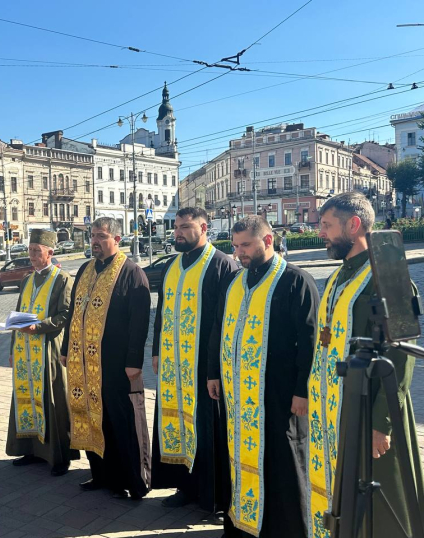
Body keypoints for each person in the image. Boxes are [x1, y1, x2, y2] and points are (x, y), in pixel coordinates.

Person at [307, 192, 424, 538]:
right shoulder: (337, 277)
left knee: (382, 505)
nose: (321, 233)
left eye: (327, 225)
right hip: (333, 412)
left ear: (354, 225)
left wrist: (380, 423)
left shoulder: (388, 276)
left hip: (371, 409)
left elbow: (402, 356)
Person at [208, 215, 319, 537]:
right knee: (239, 457)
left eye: (245, 245)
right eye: (235, 246)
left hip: (279, 393)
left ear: (267, 241)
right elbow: (218, 328)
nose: (238, 253)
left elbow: (310, 340)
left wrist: (303, 390)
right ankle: (243, 525)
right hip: (238, 393)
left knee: (282, 462)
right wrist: (213, 373)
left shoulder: (296, 280)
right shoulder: (234, 281)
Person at [151, 208, 239, 512]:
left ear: (204, 228)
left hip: (205, 368)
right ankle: (184, 486)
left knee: (207, 428)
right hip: (173, 367)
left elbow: (225, 322)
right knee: (176, 424)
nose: (177, 232)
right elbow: (161, 311)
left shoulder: (222, 265)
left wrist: (216, 368)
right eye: (176, 227)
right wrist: (156, 351)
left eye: (185, 227)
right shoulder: (173, 265)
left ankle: (212, 494)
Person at [60, 217, 151, 500]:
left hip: (115, 365)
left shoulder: (132, 273)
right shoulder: (86, 270)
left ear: (117, 239)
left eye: (101, 236)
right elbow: (74, 313)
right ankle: (100, 473)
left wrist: (134, 361)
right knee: (90, 418)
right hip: (84, 364)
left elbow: (140, 322)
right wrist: (65, 348)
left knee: (119, 422)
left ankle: (131, 481)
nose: (95, 242)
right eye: (92, 236)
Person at [5, 230, 77, 476]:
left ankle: (59, 457)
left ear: (50, 252)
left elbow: (66, 314)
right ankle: (31, 450)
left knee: (52, 402)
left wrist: (40, 326)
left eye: (37, 251)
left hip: (48, 352)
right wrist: (12, 348)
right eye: (30, 250)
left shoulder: (62, 279)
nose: (32, 255)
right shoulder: (26, 279)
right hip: (25, 352)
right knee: (27, 401)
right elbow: (18, 315)